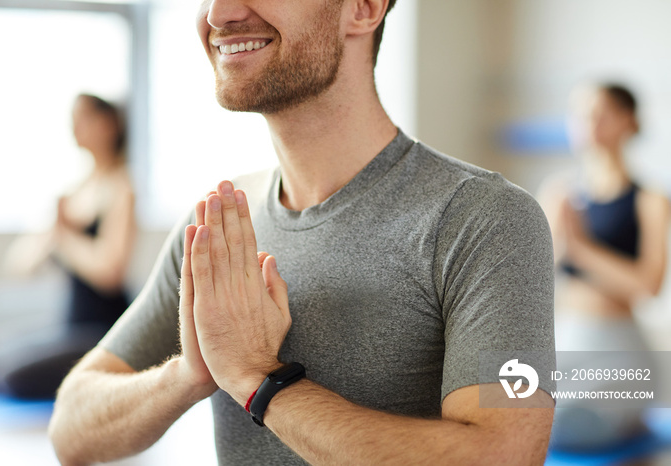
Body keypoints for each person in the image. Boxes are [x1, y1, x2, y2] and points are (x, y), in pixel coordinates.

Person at [49, 1, 556, 464]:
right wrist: (188, 374)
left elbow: (504, 455)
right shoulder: (219, 227)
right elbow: (70, 428)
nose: (218, 14)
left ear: (363, 8)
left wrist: (258, 380)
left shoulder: (486, 219)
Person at [0, 94, 135, 399]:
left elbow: (110, 271)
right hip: (70, 324)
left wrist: (65, 236)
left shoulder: (121, 187)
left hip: (106, 330)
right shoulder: (75, 191)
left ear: (109, 125)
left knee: (11, 378)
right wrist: (53, 233)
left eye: (84, 118)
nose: (75, 127)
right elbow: (21, 266)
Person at [539, 83, 670, 449]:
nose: (587, 124)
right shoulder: (559, 194)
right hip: (564, 341)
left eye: (600, 114)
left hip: (619, 348)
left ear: (628, 121)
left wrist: (580, 249)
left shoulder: (650, 199)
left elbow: (649, 285)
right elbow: (529, 279)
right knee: (489, 407)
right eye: (579, 114)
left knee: (566, 427)